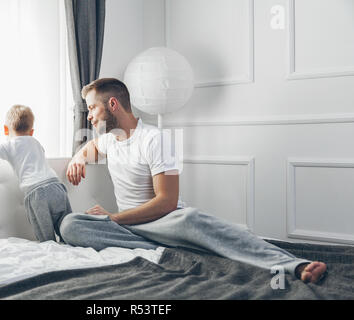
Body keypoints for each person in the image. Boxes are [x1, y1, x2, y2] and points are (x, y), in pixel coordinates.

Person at [60, 78, 327, 284]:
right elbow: (90, 148)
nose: (90, 116)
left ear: (113, 105)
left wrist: (112, 219)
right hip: (132, 229)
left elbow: (167, 202)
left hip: (164, 222)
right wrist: (78, 158)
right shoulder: (108, 140)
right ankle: (179, 247)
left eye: (93, 108)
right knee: (70, 225)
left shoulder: (156, 139)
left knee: (194, 221)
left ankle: (297, 265)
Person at [0, 104, 71, 243]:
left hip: (37, 192)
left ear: (5, 129)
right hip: (56, 186)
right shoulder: (36, 143)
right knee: (67, 227)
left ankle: (53, 254)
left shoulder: (9, 145)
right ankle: (73, 247)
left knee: (46, 238)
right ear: (32, 132)